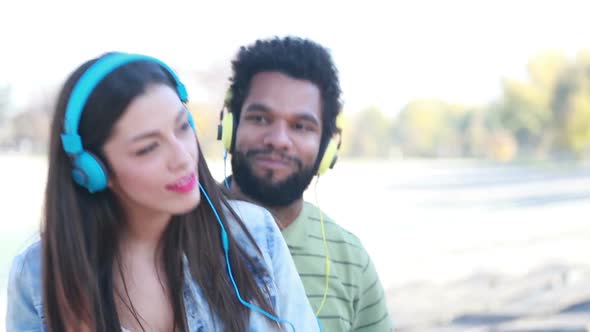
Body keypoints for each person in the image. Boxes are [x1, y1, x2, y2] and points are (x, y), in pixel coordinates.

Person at [6, 52, 319, 332]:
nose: (183, 157)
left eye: (183, 127)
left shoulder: (254, 232)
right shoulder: (37, 273)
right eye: (148, 148)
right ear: (93, 171)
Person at [218, 36, 394, 331]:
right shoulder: (174, 230)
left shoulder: (350, 260)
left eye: (300, 126)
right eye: (260, 118)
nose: (278, 140)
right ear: (230, 127)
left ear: (327, 148)